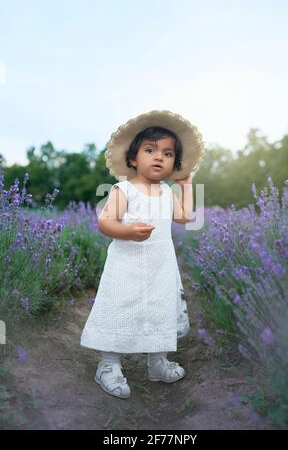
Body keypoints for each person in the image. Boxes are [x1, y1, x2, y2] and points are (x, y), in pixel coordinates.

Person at [80, 109, 205, 399]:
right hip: (127, 265)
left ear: (175, 163)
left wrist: (186, 186)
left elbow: (185, 217)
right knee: (120, 307)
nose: (159, 157)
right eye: (150, 150)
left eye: (168, 153)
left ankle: (157, 361)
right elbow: (105, 222)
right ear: (134, 159)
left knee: (160, 307)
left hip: (160, 265)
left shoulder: (167, 193)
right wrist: (127, 231)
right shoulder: (124, 189)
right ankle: (109, 365)